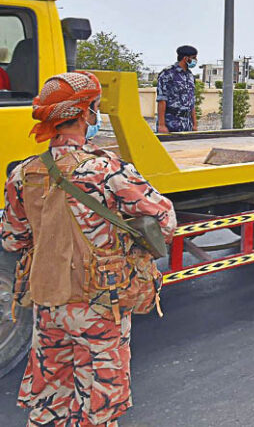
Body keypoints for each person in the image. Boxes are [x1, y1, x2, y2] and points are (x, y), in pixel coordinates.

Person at [1, 72, 177, 426]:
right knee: (98, 405)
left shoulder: (24, 174)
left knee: (50, 399)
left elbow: (12, 238)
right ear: (86, 114)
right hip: (99, 305)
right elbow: (165, 221)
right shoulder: (106, 170)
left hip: (49, 304)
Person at [156, 45, 198, 133]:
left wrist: (194, 124)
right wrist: (162, 125)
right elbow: (162, 100)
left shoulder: (190, 76)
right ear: (186, 59)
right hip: (171, 122)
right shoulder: (168, 74)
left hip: (187, 123)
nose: (196, 60)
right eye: (193, 58)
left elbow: (192, 101)